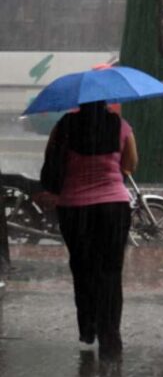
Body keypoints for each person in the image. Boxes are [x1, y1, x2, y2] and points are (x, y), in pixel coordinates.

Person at [44, 101, 138, 359]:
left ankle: (88, 327)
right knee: (110, 271)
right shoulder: (121, 126)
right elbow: (131, 164)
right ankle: (111, 335)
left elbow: (52, 162)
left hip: (74, 208)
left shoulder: (64, 126)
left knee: (82, 267)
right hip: (113, 207)